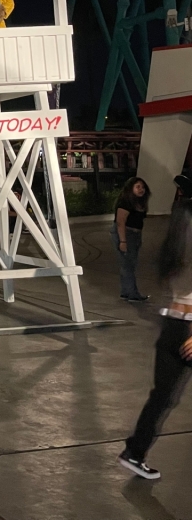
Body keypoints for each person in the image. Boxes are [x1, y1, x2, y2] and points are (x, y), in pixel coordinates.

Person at [118, 174, 192, 479]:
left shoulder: (174, 249)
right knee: (163, 395)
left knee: (161, 395)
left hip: (172, 325)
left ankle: (134, 452)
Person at [112, 177, 151, 302]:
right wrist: (123, 241)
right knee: (128, 264)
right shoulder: (125, 202)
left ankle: (126, 292)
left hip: (135, 235)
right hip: (125, 234)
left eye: (143, 187)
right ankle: (133, 293)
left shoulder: (139, 203)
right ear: (130, 189)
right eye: (137, 187)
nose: (141, 190)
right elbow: (120, 222)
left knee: (129, 264)